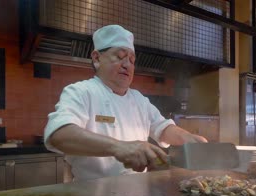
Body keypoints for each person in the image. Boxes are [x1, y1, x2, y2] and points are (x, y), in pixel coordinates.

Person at [44, 25, 207, 181]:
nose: (127, 65)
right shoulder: (81, 92)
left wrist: (188, 138)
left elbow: (162, 127)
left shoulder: (139, 100)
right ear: (96, 58)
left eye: (131, 59)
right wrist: (119, 147)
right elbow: (59, 134)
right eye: (120, 56)